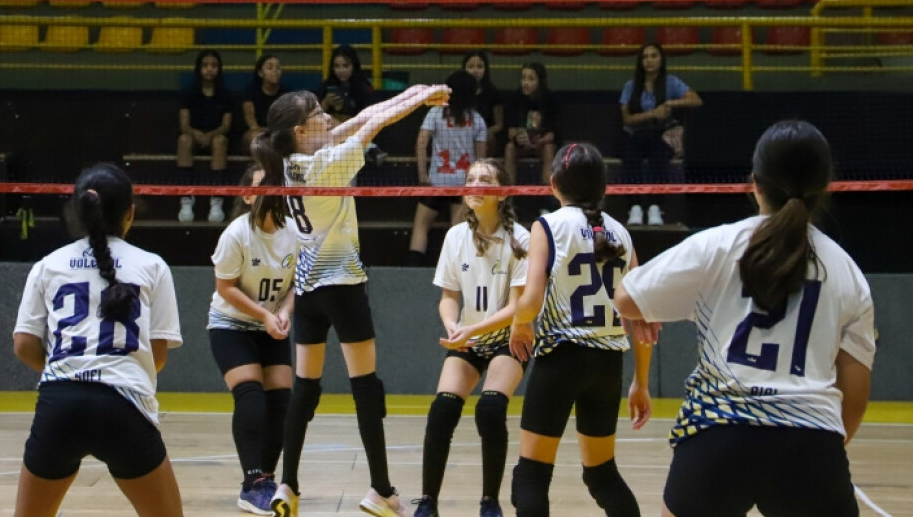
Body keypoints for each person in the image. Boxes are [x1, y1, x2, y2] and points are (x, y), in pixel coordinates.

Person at [614, 120, 875, 517]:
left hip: (719, 438)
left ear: (754, 182)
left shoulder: (716, 245)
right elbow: (854, 398)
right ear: (826, 186)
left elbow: (626, 297)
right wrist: (814, 455)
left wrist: (653, 309)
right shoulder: (847, 272)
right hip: (810, 443)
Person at [250, 82, 451, 517]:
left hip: (307, 292)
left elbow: (363, 117)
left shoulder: (287, 164)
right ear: (302, 131)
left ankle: (287, 484)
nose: (328, 117)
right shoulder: (327, 164)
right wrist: (421, 97)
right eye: (319, 113)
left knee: (305, 391)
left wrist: (418, 91)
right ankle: (381, 490)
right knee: (365, 389)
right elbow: (373, 123)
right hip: (343, 287)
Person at [11, 163, 185, 517]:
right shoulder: (152, 266)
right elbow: (158, 356)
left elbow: (24, 345)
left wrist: (72, 373)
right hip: (123, 406)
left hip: (60, 404)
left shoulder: (47, 265)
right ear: (130, 214)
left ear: (77, 212)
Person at [508, 143, 655, 517]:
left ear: (553, 183)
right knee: (602, 476)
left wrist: (518, 322)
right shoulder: (621, 233)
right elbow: (641, 318)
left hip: (562, 358)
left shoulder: (547, 225)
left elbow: (531, 301)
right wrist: (641, 380)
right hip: (608, 365)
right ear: (603, 186)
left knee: (531, 478)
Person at [413, 159, 530, 517]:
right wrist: (453, 327)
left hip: (508, 341)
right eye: (470, 178)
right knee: (443, 409)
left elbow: (517, 308)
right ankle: (429, 502)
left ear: (502, 192)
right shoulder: (454, 236)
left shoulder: (520, 239)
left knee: (491, 408)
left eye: (485, 178)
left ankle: (489, 502)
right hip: (468, 338)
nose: (475, 183)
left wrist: (471, 330)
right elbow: (449, 298)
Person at [208, 164, 297, 515]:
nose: (272, 191)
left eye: (276, 185)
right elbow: (225, 288)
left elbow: (297, 284)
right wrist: (263, 315)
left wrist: (284, 313)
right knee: (251, 400)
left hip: (272, 324)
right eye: (262, 186)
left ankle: (266, 479)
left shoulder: (294, 232)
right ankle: (251, 483)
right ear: (247, 196)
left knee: (282, 405)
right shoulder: (236, 234)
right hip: (231, 325)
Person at [406, 70, 488, 266]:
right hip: (463, 185)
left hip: (437, 181)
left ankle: (411, 272)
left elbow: (420, 143)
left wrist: (423, 176)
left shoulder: (434, 113)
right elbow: (481, 159)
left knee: (421, 226)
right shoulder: (477, 120)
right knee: (457, 231)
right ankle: (454, 274)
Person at [618, 43, 702, 227]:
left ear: (661, 59)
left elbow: (696, 100)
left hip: (660, 134)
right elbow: (627, 119)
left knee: (660, 155)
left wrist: (671, 103)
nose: (649, 60)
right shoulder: (631, 86)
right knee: (630, 156)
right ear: (640, 61)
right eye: (645, 57)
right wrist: (652, 114)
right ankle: (635, 207)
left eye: (654, 56)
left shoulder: (671, 82)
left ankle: (655, 206)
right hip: (636, 133)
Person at [178, 49, 233, 223]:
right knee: (183, 140)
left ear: (219, 69)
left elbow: (226, 125)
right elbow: (184, 125)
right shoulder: (189, 93)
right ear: (199, 68)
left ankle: (216, 199)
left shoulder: (225, 95)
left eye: (214, 65)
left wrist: (211, 135)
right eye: (205, 65)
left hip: (215, 136)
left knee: (220, 141)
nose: (209, 69)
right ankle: (186, 198)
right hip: (194, 136)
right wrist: (196, 133)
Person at [317, 44, 386, 166]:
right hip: (330, 140)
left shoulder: (364, 87)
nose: (341, 70)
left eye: (345, 66)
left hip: (354, 137)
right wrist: (326, 103)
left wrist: (346, 109)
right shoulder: (326, 86)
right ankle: (370, 148)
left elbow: (370, 118)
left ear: (354, 66)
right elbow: (316, 116)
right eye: (337, 66)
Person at [504, 63, 556, 188]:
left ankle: (547, 195)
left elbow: (553, 134)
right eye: (523, 78)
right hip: (522, 145)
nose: (525, 83)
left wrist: (541, 141)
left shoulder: (550, 99)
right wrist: (518, 137)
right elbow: (510, 130)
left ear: (540, 81)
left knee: (549, 148)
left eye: (531, 79)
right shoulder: (515, 98)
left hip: (541, 145)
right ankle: (507, 194)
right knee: (510, 148)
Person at [241, 54, 290, 156]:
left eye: (278, 68)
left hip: (277, 132)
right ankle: (261, 170)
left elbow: (287, 122)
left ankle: (290, 170)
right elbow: (252, 122)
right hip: (256, 132)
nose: (275, 71)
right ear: (260, 73)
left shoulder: (286, 94)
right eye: (270, 68)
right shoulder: (250, 93)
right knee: (257, 138)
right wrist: (265, 131)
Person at [462, 50, 505, 157]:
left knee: (488, 137)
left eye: (479, 67)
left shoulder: (493, 93)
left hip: (485, 134)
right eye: (471, 67)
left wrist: (482, 131)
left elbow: (499, 125)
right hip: (462, 132)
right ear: (464, 69)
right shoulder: (458, 93)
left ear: (485, 69)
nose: (475, 71)